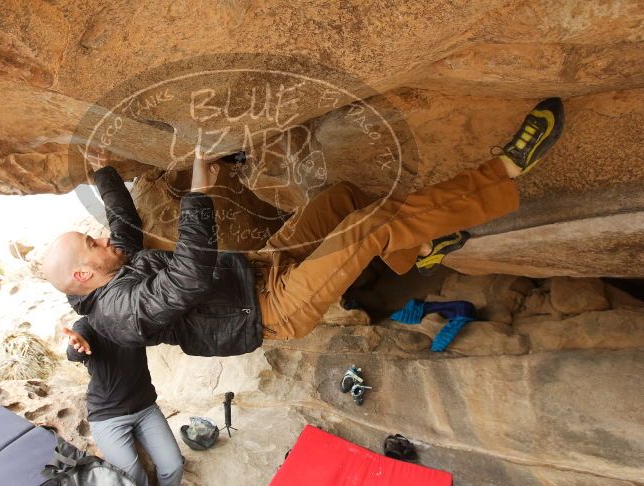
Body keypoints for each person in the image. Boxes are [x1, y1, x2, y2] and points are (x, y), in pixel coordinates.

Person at [43, 98, 564, 355]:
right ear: (84, 276)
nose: (104, 240)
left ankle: (419, 250)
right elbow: (189, 277)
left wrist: (102, 169)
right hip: (273, 307)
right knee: (365, 227)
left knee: (341, 199)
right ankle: (503, 172)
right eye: (92, 244)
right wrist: (199, 189)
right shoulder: (120, 315)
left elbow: (124, 226)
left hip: (260, 267)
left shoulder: (111, 271)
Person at [63, 318, 192, 486]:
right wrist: (76, 345)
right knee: (134, 481)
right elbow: (74, 350)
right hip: (107, 417)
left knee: (173, 465)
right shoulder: (88, 324)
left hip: (145, 408)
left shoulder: (132, 313)